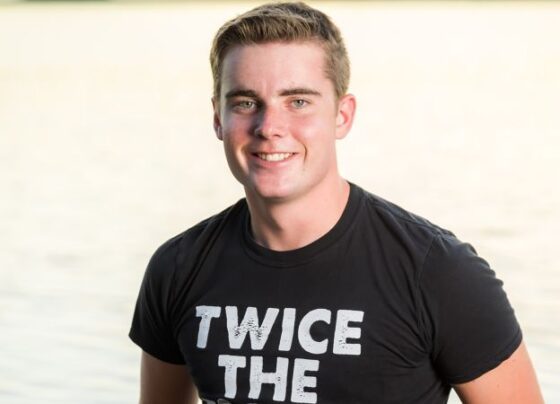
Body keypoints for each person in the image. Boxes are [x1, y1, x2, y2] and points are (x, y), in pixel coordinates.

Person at [129, 2, 543, 403]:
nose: (270, 127)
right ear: (218, 118)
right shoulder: (178, 269)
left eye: (298, 102)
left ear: (342, 115)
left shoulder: (437, 272)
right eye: (245, 102)